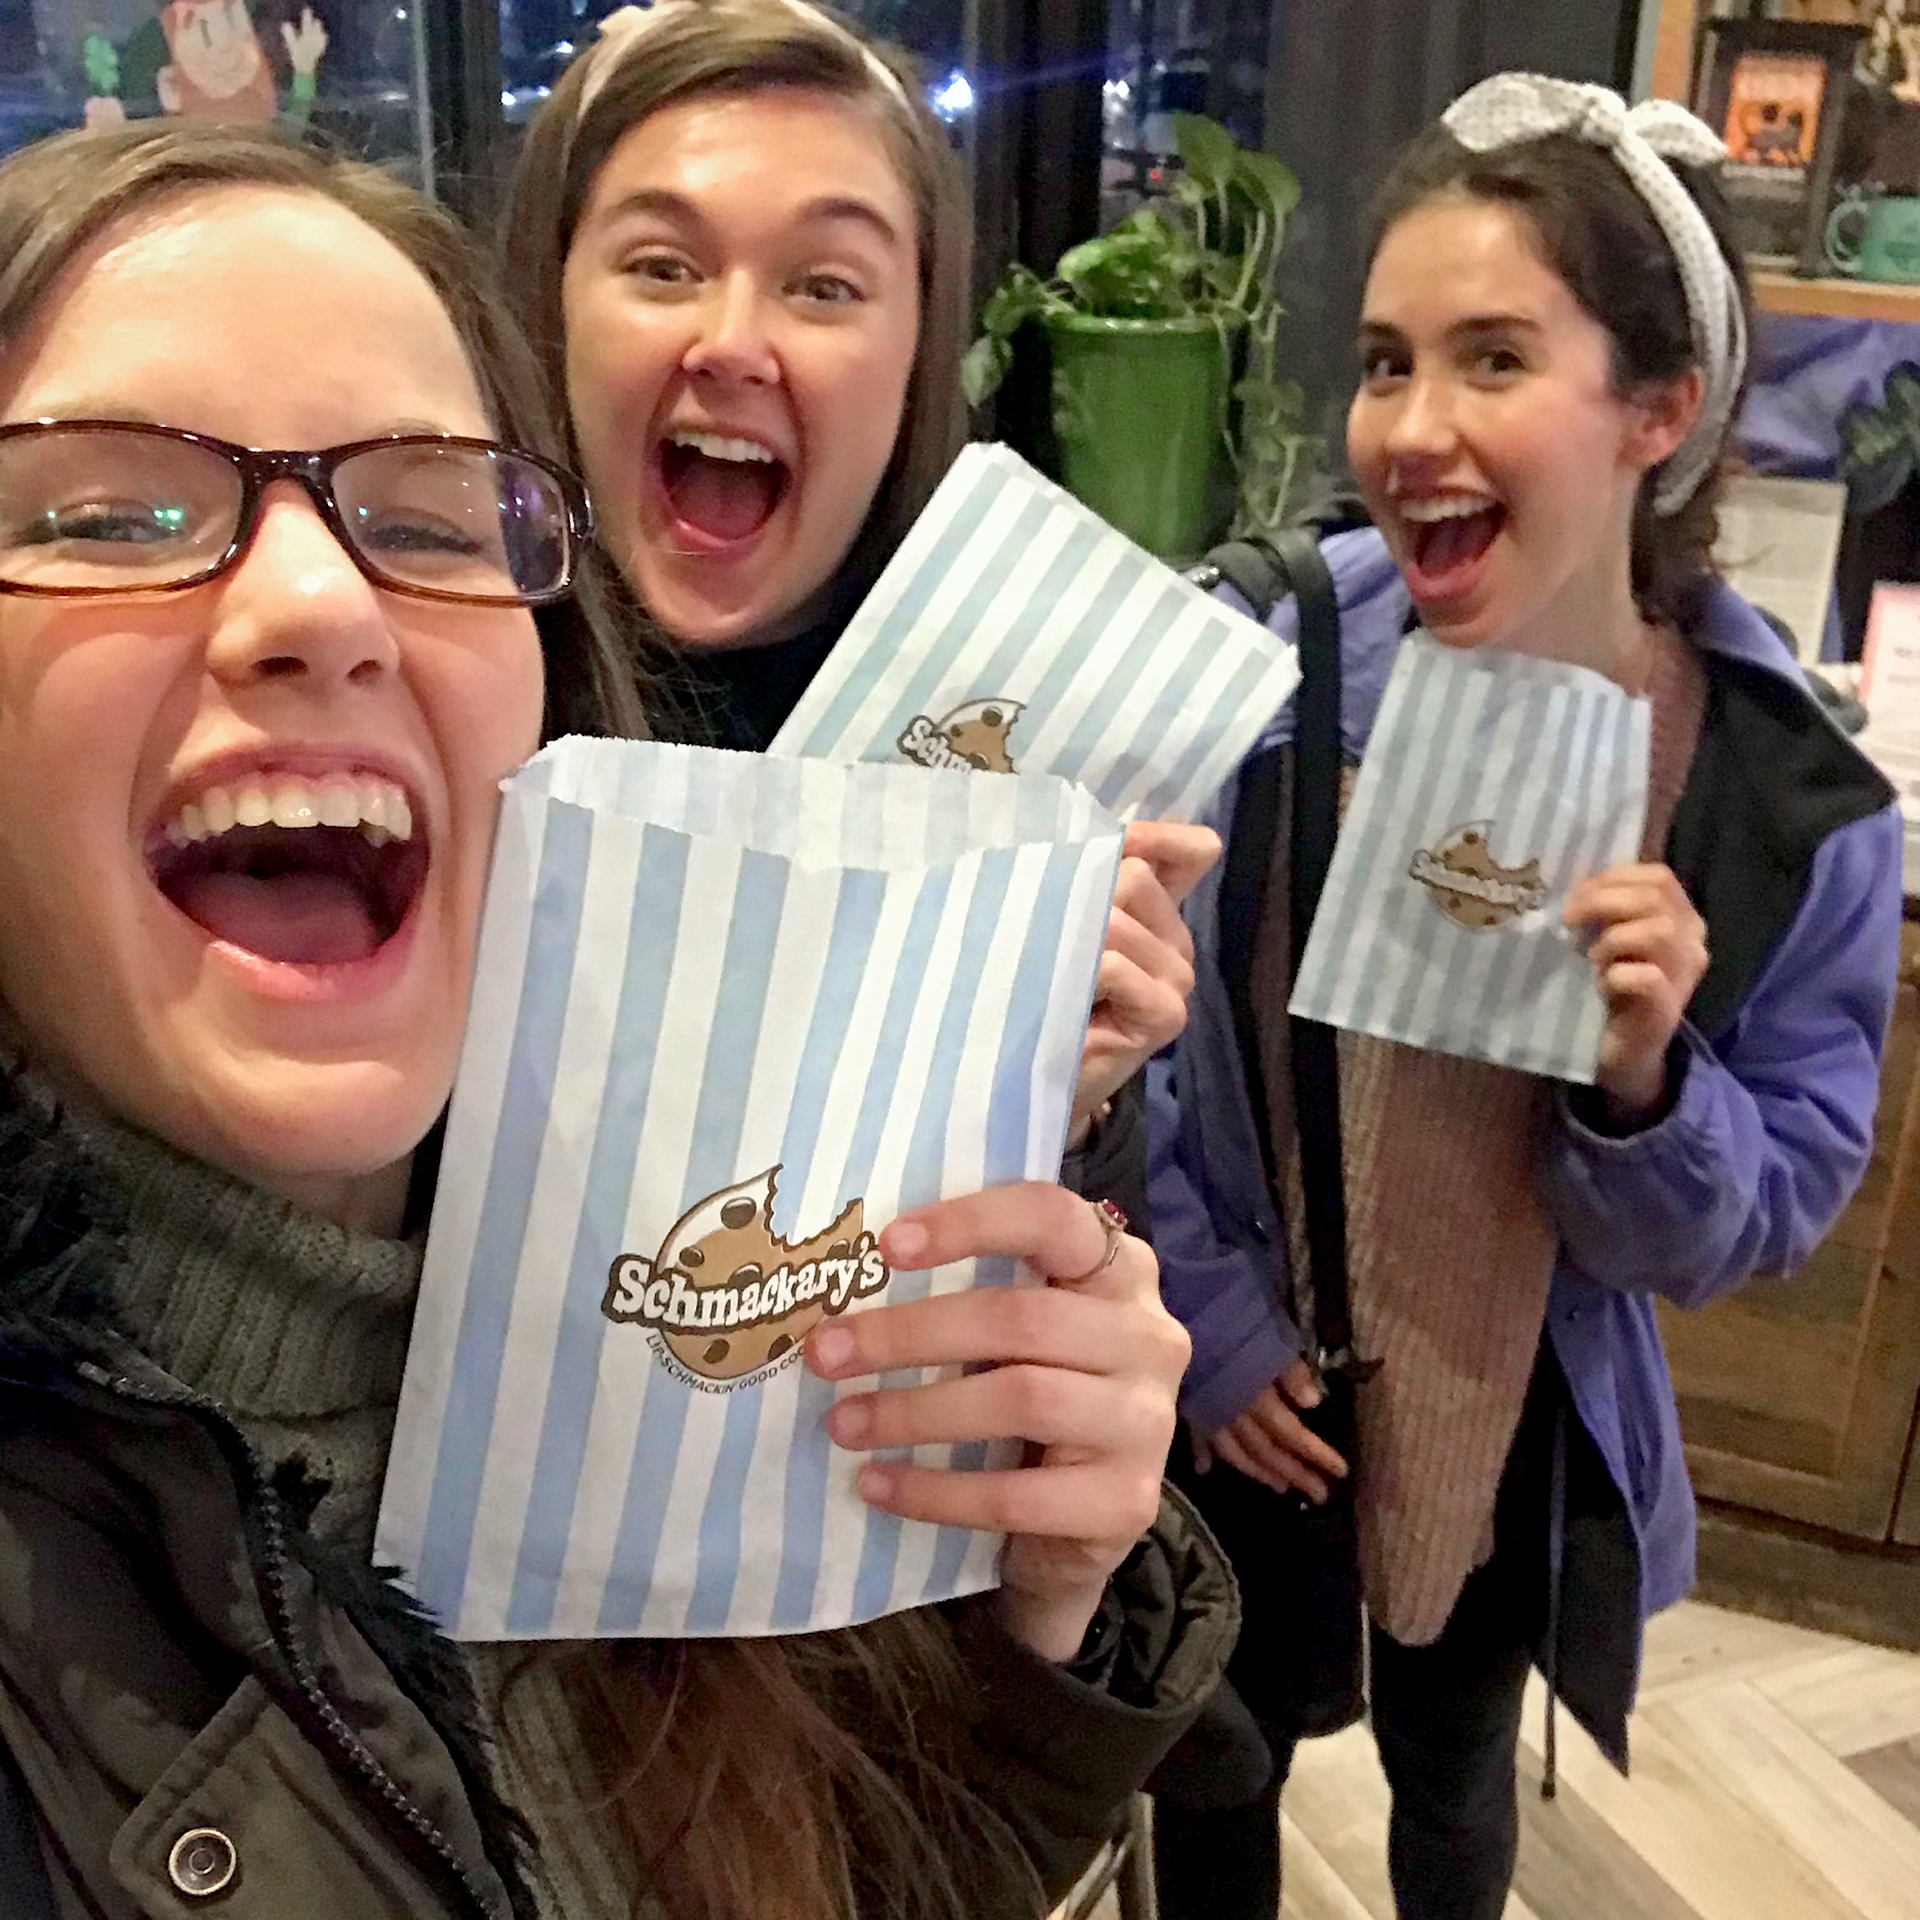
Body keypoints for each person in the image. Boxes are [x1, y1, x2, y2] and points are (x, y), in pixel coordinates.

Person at [0, 120, 1233, 1920]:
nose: (320, 601)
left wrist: (1025, 1621)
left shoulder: (652, 1284)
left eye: (425, 518)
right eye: (110, 517)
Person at [1147, 74, 1904, 1920]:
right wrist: (1208, 1312)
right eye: (1385, 362)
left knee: (1457, 1768)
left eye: (1493, 357)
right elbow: (1118, 1028)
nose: (1411, 428)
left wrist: (1647, 1084)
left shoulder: (1781, 802)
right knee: (1218, 1756)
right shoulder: (1265, 661)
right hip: (1250, 1379)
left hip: (1512, 1413)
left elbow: (1769, 1207)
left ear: (1660, 409)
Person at [502, 0, 1219, 1232]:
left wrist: (1061, 1109)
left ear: (916, 353)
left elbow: (1061, 1299)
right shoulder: (442, 711)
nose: (733, 343)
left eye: (825, 286)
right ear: (550, 304)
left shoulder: (1016, 763)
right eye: (663, 267)